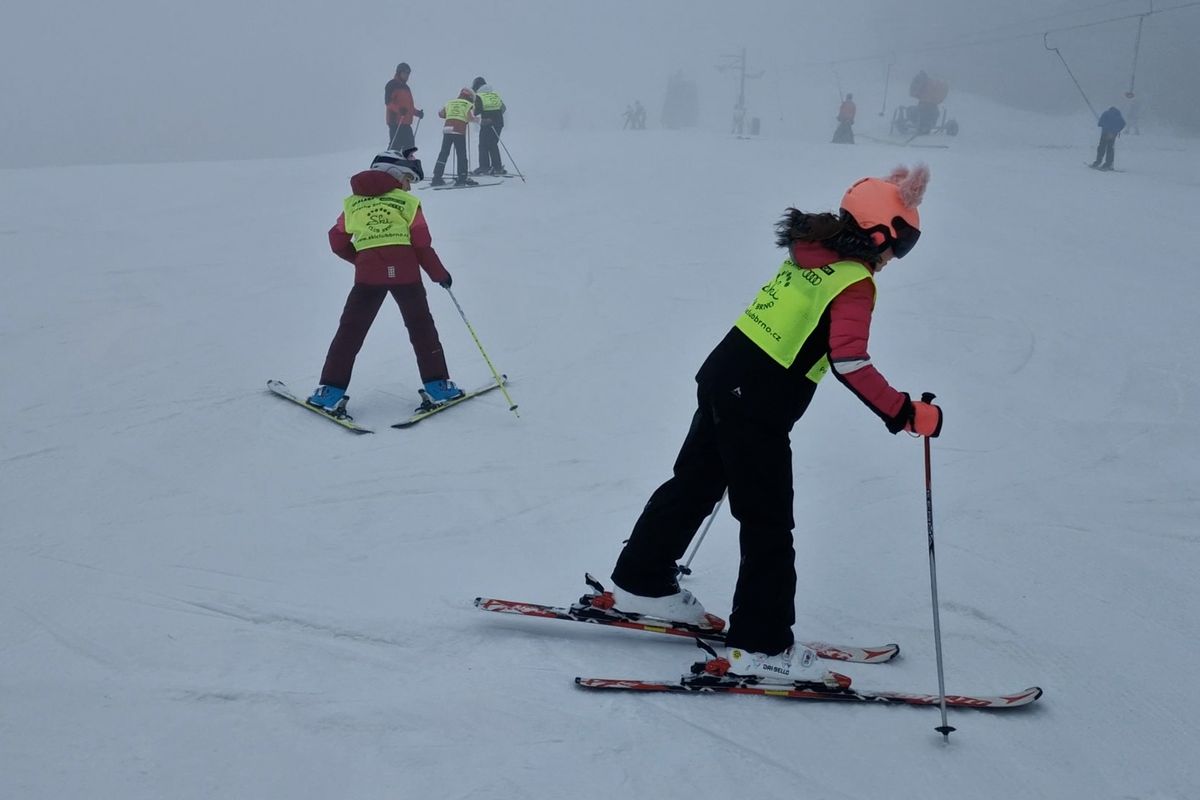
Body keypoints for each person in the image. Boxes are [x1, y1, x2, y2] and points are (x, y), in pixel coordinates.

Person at [604, 165, 941, 684]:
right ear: (880, 234)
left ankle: (641, 580)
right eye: (905, 241)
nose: (900, 256)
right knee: (767, 523)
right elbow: (850, 362)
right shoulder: (854, 281)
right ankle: (761, 646)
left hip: (723, 375)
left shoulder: (813, 253)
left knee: (695, 483)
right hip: (755, 401)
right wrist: (903, 412)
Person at [307, 150, 464, 413]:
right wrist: (440, 275)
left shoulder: (352, 205)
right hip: (406, 275)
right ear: (394, 175)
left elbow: (336, 241)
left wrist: (360, 260)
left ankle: (329, 391)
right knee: (422, 329)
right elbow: (422, 246)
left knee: (350, 331)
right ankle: (438, 387)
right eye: (407, 179)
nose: (409, 185)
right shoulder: (408, 203)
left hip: (367, 277)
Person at [431, 88, 478, 187]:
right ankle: (462, 177)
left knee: (443, 153)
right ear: (470, 97)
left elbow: (441, 114)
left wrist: (451, 116)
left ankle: (437, 177)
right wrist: (479, 120)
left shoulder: (450, 102)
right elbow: (470, 118)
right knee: (461, 154)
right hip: (459, 130)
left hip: (447, 129)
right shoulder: (468, 104)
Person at [470, 76, 507, 176]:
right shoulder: (494, 94)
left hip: (487, 123)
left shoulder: (479, 95)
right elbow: (503, 108)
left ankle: (484, 167)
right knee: (493, 144)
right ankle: (497, 167)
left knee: (483, 144)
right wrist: (495, 115)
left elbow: (476, 111)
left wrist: (470, 111)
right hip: (499, 122)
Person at [385, 63, 424, 151]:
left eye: (408, 74)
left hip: (406, 122)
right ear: (399, 73)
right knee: (396, 144)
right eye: (405, 73)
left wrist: (418, 113)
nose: (407, 76)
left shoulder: (407, 88)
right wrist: (399, 110)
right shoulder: (391, 84)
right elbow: (388, 102)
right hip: (395, 121)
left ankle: (406, 162)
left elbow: (409, 107)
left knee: (410, 145)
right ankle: (389, 161)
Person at [1092, 106, 1126, 171]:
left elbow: (1100, 123)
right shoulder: (1118, 115)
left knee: (1102, 147)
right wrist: (1117, 130)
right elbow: (1123, 123)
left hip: (1105, 133)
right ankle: (1108, 163)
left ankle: (1098, 162)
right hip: (1113, 134)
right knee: (1110, 148)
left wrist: (1104, 125)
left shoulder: (1106, 113)